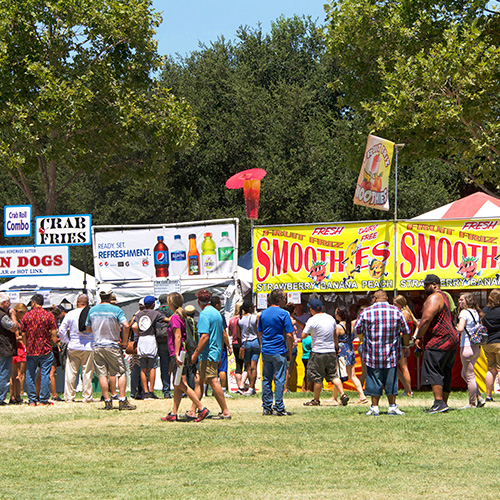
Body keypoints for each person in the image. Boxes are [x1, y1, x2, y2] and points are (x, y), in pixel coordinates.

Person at [354, 289, 410, 416]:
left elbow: (356, 328)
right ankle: (392, 406)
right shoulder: (396, 311)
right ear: (387, 299)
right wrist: (406, 346)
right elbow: (406, 331)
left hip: (372, 353)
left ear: (374, 299)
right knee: (391, 381)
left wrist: (368, 335)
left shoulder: (366, 311)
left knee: (374, 380)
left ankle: (374, 407)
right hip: (391, 353)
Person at [413, 274, 459, 413]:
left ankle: (438, 402)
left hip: (439, 339)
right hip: (451, 339)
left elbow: (426, 319)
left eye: (426, 285)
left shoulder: (434, 297)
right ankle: (443, 403)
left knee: (434, 370)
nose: (424, 288)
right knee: (446, 371)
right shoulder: (446, 296)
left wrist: (418, 336)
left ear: (434, 284)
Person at [86, 285, 136, 410]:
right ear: (110, 296)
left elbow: (87, 328)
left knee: (102, 374)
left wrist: (97, 332)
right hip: (112, 345)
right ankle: (122, 400)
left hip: (97, 345)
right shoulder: (116, 310)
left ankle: (107, 401)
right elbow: (126, 325)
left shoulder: (92, 310)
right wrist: (124, 341)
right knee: (121, 372)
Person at [161, 292, 209, 422]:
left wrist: (176, 354)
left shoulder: (175, 317)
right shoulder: (181, 315)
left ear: (171, 303)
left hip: (178, 353)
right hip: (183, 352)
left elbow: (177, 336)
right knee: (177, 384)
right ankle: (173, 413)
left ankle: (201, 407)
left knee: (180, 383)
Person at [191, 289, 230, 420]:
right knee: (199, 380)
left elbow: (204, 337)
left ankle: (225, 410)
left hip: (207, 354)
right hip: (215, 352)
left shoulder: (204, 314)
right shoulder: (217, 313)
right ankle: (193, 410)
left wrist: (196, 353)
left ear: (198, 302)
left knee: (213, 381)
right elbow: (220, 334)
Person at [301, 299, 349, 407]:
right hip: (330, 350)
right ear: (322, 308)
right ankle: (343, 394)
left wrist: (311, 333)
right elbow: (335, 335)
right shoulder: (330, 318)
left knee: (317, 377)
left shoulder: (312, 320)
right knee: (333, 375)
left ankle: (316, 400)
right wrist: (336, 348)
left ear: (311, 309)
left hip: (318, 351)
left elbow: (303, 335)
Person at [257, 289, 294, 416]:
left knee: (266, 378)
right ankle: (279, 406)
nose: (286, 300)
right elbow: (289, 334)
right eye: (284, 298)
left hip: (266, 350)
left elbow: (260, 332)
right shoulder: (284, 314)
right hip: (279, 349)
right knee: (279, 379)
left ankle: (266, 407)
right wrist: (290, 350)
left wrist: (263, 345)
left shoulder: (263, 314)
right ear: (279, 300)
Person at [20, 294, 58, 406]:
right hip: (45, 349)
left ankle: (32, 400)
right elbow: (54, 331)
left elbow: (23, 333)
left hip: (31, 349)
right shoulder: (48, 315)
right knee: (45, 374)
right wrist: (53, 340)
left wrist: (27, 345)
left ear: (33, 302)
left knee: (30, 374)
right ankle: (43, 400)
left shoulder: (26, 316)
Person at [58, 294, 94, 403]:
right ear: (87, 303)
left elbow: (61, 330)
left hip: (74, 345)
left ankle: (69, 396)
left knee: (71, 372)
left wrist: (67, 342)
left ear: (77, 302)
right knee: (87, 372)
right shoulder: (91, 313)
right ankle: (87, 396)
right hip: (88, 346)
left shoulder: (70, 314)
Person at [456, 292, 485, 409]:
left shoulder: (464, 313)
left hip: (466, 346)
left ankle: (472, 403)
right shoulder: (476, 312)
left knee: (469, 376)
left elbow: (461, 329)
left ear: (468, 301)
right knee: (465, 373)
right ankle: (478, 397)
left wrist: (457, 327)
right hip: (476, 347)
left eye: (462, 299)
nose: (459, 301)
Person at [332, 306, 367, 404]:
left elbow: (335, 340)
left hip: (341, 351)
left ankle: (335, 397)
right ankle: (361, 395)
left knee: (338, 374)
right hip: (350, 350)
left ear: (339, 315)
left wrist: (335, 349)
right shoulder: (351, 325)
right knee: (352, 375)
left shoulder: (338, 327)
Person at [132, 295, 164, 399]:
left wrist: (139, 333)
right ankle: (151, 391)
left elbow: (133, 326)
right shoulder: (156, 313)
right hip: (150, 339)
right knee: (152, 367)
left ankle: (145, 392)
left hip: (142, 340)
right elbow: (166, 320)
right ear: (153, 304)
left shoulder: (139, 314)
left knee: (143, 368)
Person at [393, 295, 418, 397]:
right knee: (398, 367)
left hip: (402, 341)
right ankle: (407, 389)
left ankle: (408, 390)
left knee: (403, 367)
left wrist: (410, 336)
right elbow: (418, 324)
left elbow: (404, 329)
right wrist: (414, 336)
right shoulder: (409, 313)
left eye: (395, 303)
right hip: (405, 340)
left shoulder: (404, 313)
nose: (393, 305)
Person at [211, 295, 232, 398]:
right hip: (220, 346)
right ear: (217, 305)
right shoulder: (220, 316)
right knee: (222, 369)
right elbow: (224, 333)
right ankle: (222, 390)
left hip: (209, 345)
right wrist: (228, 345)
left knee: (210, 369)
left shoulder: (207, 315)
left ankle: (207, 389)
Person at [237, 300, 260, 395]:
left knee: (248, 366)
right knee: (254, 367)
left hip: (245, 343)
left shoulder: (240, 319)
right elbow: (259, 331)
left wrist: (240, 346)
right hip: (255, 342)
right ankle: (251, 387)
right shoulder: (255, 318)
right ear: (250, 308)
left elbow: (238, 335)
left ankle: (251, 387)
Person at [481, 289, 500, 402]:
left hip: (488, 342)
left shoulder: (485, 310)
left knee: (491, 369)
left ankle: (488, 396)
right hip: (499, 341)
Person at [0, 293, 19, 406]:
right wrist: (13, 316)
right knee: (3, 374)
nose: (10, 306)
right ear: (4, 303)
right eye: (9, 303)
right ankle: (0, 398)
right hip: (3, 348)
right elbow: (13, 327)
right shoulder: (2, 315)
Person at [10, 302, 27, 404]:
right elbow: (16, 337)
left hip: (15, 349)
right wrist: (24, 336)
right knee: (19, 374)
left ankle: (14, 395)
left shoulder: (15, 321)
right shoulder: (16, 323)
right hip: (19, 348)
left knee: (14, 375)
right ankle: (18, 393)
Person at [157, 294, 173, 399]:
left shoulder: (156, 312)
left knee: (164, 366)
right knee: (175, 366)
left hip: (160, 342)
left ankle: (166, 390)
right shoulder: (172, 311)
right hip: (171, 341)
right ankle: (180, 389)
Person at [229, 302, 247, 393]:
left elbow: (230, 333)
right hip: (243, 343)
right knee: (247, 365)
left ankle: (239, 385)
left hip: (234, 343)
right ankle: (242, 385)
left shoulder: (231, 319)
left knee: (238, 364)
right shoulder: (243, 319)